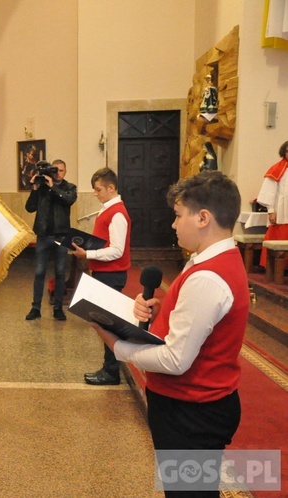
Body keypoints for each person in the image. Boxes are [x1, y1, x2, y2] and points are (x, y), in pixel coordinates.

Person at [91, 171, 248, 497]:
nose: (173, 225)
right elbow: (206, 324)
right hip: (195, 405)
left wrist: (118, 346)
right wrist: (163, 312)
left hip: (192, 412)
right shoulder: (211, 260)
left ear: (203, 217)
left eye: (178, 216)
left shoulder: (208, 276)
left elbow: (176, 359)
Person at [70, 167, 131, 386]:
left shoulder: (117, 214)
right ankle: (108, 368)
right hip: (104, 273)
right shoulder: (108, 210)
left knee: (109, 325)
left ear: (111, 188)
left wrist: (88, 253)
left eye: (98, 190)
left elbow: (117, 250)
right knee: (105, 323)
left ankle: (111, 372)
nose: (95, 194)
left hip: (112, 275)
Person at [24, 159, 77, 321]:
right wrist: (34, 188)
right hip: (43, 236)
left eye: (61, 170)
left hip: (61, 236)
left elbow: (68, 200)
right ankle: (35, 308)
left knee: (60, 272)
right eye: (55, 170)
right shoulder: (41, 188)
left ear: (65, 172)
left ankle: (58, 308)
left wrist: (52, 186)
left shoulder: (70, 187)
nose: (58, 173)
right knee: (39, 272)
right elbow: (30, 208)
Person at [257, 140, 288, 268]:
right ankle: (274, 267)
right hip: (282, 211)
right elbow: (269, 192)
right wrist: (271, 210)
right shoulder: (277, 169)